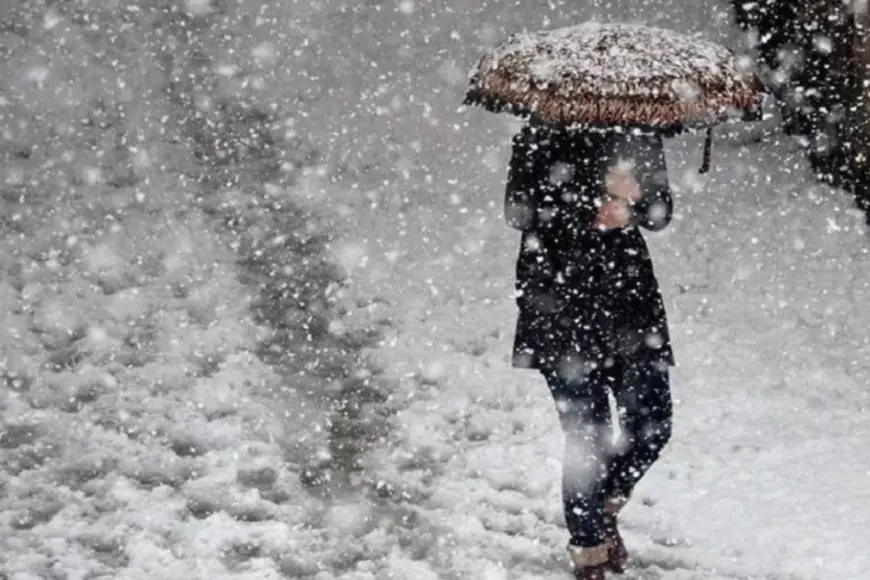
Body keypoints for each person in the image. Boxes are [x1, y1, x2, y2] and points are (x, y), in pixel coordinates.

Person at [504, 119, 675, 580]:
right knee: (588, 437)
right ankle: (589, 550)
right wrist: (592, 199)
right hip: (560, 304)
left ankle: (601, 508)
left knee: (653, 424)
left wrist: (633, 203)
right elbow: (520, 212)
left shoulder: (638, 129)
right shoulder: (541, 131)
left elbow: (661, 212)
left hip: (630, 306)